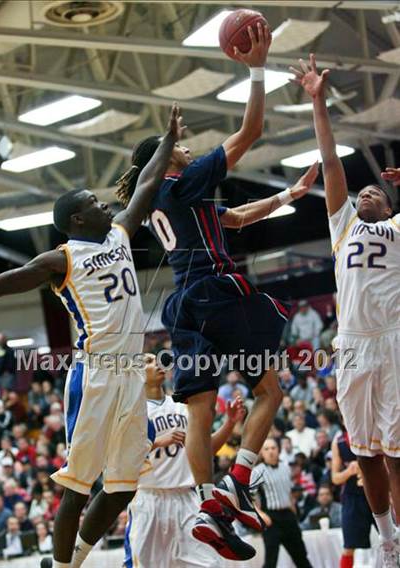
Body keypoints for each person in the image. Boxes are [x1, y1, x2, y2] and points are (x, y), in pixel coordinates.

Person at [116, 22, 319, 561]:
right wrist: (257, 67)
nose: (185, 148)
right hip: (213, 290)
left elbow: (231, 219)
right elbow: (249, 133)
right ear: (165, 157)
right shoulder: (183, 182)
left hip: (182, 306)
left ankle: (209, 503)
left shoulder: (163, 198)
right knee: (271, 391)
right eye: (178, 146)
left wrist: (286, 196)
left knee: (200, 406)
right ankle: (237, 482)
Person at [0, 104, 185, 568]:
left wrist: (169, 138)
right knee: (77, 483)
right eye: (93, 202)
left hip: (131, 373)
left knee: (123, 486)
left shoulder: (118, 232)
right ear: (76, 220)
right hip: (95, 375)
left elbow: (148, 184)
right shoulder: (60, 260)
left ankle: (74, 558)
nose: (103, 204)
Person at [291, 53, 400, 566]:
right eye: (363, 190)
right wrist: (319, 101)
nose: (366, 191)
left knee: (397, 456)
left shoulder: (398, 230)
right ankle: (386, 538)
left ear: (390, 208)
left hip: (394, 340)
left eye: (377, 189)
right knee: (364, 453)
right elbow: (331, 161)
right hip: (353, 346)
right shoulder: (344, 229)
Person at [124, 353, 245, 567]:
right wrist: (157, 442)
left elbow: (205, 450)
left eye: (158, 360)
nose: (158, 364)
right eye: (149, 362)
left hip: (187, 498)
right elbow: (121, 457)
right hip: (150, 498)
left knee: (211, 564)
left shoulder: (183, 407)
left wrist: (228, 423)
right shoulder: (131, 413)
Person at [251, 438, 312, 568]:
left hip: (288, 516)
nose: (271, 451)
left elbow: (289, 493)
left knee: (301, 556)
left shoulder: (285, 468)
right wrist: (260, 514)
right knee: (271, 560)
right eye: (267, 449)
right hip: (271, 518)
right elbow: (250, 498)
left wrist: (293, 511)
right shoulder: (257, 471)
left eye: (273, 448)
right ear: (262, 452)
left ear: (278, 450)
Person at [332, 428, 375, 568]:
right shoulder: (339, 441)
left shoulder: (373, 432)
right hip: (352, 498)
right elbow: (335, 478)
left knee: (394, 539)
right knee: (349, 547)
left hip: (376, 492)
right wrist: (349, 471)